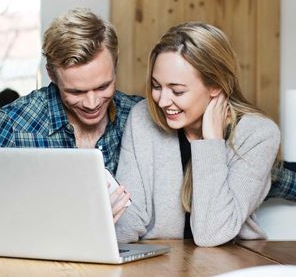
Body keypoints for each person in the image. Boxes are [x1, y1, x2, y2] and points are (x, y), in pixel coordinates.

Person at [115, 22, 281, 246]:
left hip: (231, 265)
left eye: (178, 91)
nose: (163, 101)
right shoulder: (142, 117)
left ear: (215, 85)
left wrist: (211, 143)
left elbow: (211, 234)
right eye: (156, 86)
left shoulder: (258, 135)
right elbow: (127, 224)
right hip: (161, 263)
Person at [0, 8, 141, 222]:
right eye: (76, 91)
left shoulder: (137, 117)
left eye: (103, 86)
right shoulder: (14, 125)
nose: (92, 104)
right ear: (52, 75)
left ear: (116, 64)